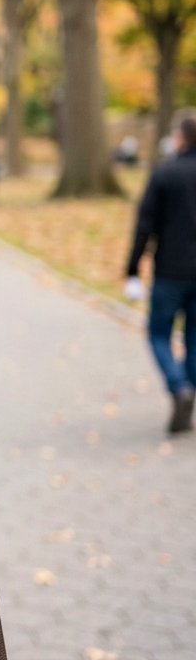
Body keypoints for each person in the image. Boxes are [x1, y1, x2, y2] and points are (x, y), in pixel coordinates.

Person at [125, 109, 196, 434]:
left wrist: (133, 268)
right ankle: (186, 387)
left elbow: (145, 225)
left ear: (180, 137)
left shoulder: (165, 173)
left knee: (158, 333)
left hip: (171, 269)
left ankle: (179, 385)